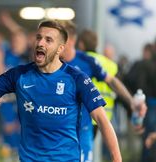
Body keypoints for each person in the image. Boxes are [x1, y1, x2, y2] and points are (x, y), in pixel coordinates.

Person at [0, 20, 122, 162]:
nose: (40, 43)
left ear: (60, 49)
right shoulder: (20, 75)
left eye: (49, 40)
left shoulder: (77, 78)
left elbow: (103, 120)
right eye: (39, 37)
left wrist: (116, 158)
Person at [58, 20, 146, 162]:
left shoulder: (87, 61)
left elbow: (111, 81)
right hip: (57, 129)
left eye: (60, 39)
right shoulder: (53, 63)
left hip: (83, 129)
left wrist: (131, 102)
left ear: (72, 40)